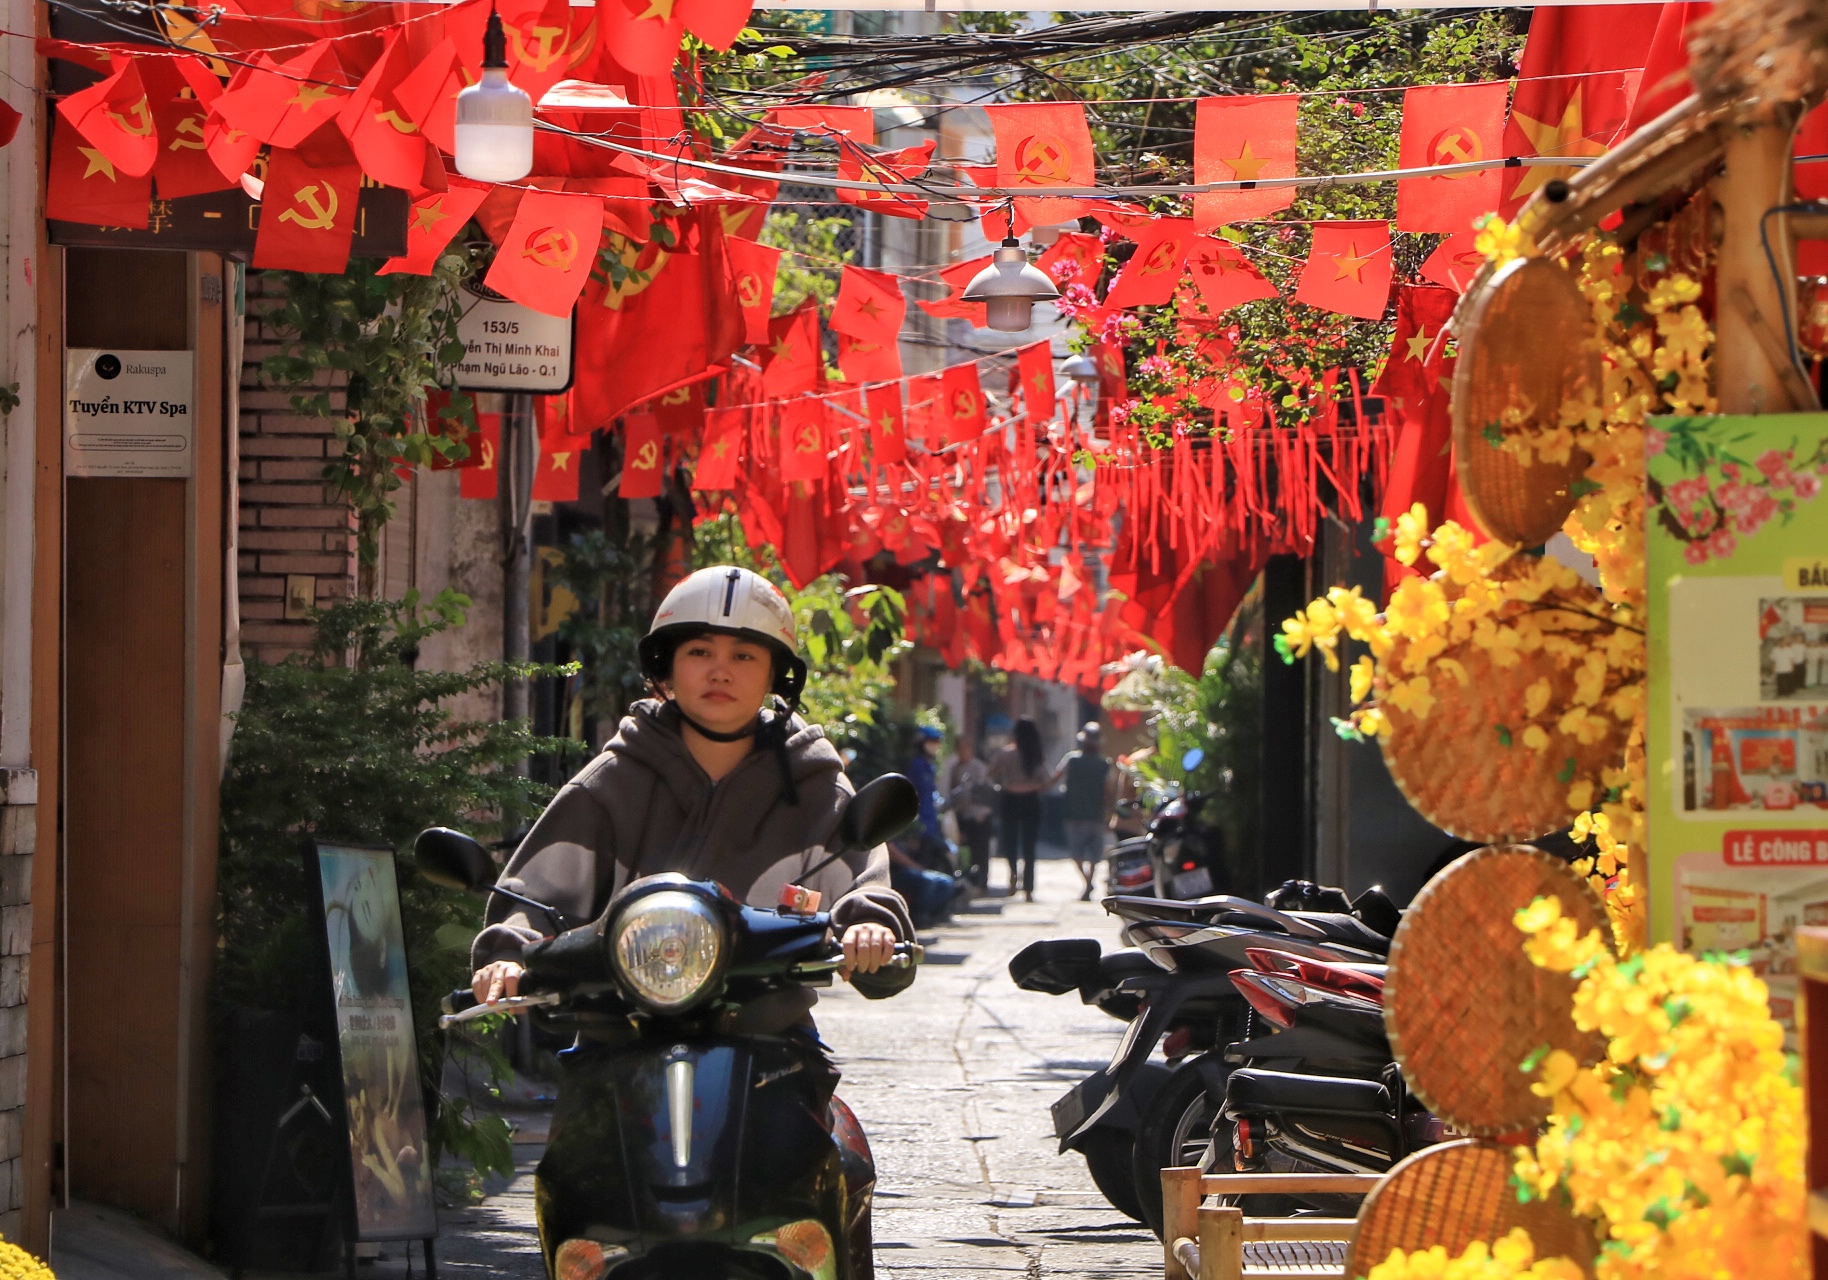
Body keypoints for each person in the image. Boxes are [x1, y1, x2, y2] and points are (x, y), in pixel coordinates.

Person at [469, 564, 915, 1018]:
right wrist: (508, 954)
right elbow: (535, 898)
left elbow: (863, 887)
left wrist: (870, 925)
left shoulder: (814, 785)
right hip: (619, 1032)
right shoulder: (613, 782)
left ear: (774, 677)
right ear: (667, 666)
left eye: (744, 657)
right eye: (700, 652)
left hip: (767, 1031)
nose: (720, 672)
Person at [1052, 722, 1119, 900]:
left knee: (1077, 853)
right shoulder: (1104, 764)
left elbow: (1055, 778)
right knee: (1094, 854)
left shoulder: (1071, 760)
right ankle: (1089, 881)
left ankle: (1087, 882)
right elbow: (1109, 791)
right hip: (1095, 815)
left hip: (1074, 813)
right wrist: (1110, 813)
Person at [990, 717, 1049, 902]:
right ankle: (1029, 888)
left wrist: (1004, 780)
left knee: (1010, 841)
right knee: (1029, 845)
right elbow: (1045, 781)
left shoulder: (1007, 753)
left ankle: (1013, 874)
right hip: (1031, 799)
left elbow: (991, 771)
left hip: (1010, 798)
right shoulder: (1036, 754)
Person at [948, 737, 996, 889]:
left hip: (979, 815)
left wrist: (983, 812)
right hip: (963, 815)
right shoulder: (955, 768)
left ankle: (982, 883)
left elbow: (985, 791)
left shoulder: (979, 767)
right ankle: (969, 881)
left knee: (981, 851)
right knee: (966, 851)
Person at [887, 832, 955, 929]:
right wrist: (916, 867)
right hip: (893, 871)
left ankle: (933, 914)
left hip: (910, 868)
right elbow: (892, 853)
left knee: (946, 882)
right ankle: (917, 917)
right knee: (928, 881)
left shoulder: (907, 831)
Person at [908, 723, 945, 846]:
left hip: (930, 826)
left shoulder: (930, 767)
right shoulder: (917, 766)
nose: (936, 745)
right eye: (932, 741)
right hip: (920, 828)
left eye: (937, 742)